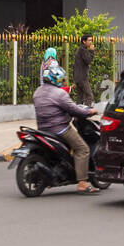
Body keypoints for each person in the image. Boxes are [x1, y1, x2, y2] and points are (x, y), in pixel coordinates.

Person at [33, 62, 100, 194]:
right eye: (61, 79)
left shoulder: (38, 92)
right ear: (56, 79)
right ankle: (82, 183)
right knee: (82, 149)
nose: (63, 82)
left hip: (43, 129)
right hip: (60, 129)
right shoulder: (60, 94)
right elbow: (75, 110)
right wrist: (90, 111)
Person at [73, 35, 96, 106]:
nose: (91, 42)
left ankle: (77, 116)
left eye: (91, 40)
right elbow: (88, 61)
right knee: (90, 96)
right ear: (84, 41)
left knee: (80, 98)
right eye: (89, 40)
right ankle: (84, 113)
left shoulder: (80, 50)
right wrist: (92, 51)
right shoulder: (83, 50)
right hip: (82, 77)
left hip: (78, 77)